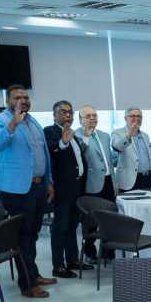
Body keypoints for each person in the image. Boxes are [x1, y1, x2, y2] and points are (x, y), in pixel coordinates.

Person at [0, 85, 56, 298]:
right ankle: (27, 284)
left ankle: (33, 274)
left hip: (38, 186)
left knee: (32, 234)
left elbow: (42, 154)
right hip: (16, 190)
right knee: (22, 236)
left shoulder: (32, 121)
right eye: (17, 97)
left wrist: (49, 181)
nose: (23, 100)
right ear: (8, 100)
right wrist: (13, 124)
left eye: (25, 97)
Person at [43, 101, 93, 278]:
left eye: (70, 112)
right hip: (62, 188)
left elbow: (76, 156)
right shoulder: (49, 131)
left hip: (77, 186)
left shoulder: (73, 133)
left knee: (72, 225)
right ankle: (58, 266)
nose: (68, 115)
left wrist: (83, 139)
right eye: (63, 112)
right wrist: (63, 142)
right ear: (54, 115)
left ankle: (72, 260)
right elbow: (51, 152)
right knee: (60, 227)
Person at [76, 105, 116, 263]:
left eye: (94, 115)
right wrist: (86, 136)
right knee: (91, 221)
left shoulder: (105, 136)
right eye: (88, 116)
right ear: (81, 120)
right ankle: (89, 252)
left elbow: (109, 160)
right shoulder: (76, 135)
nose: (92, 118)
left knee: (111, 218)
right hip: (91, 183)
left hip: (108, 181)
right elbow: (79, 155)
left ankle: (108, 251)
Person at [112, 107, 151, 191]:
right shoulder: (117, 133)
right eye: (133, 116)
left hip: (148, 178)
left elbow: (150, 158)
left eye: (139, 116)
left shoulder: (145, 135)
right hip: (129, 181)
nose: (136, 118)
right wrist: (129, 134)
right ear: (125, 118)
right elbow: (117, 147)